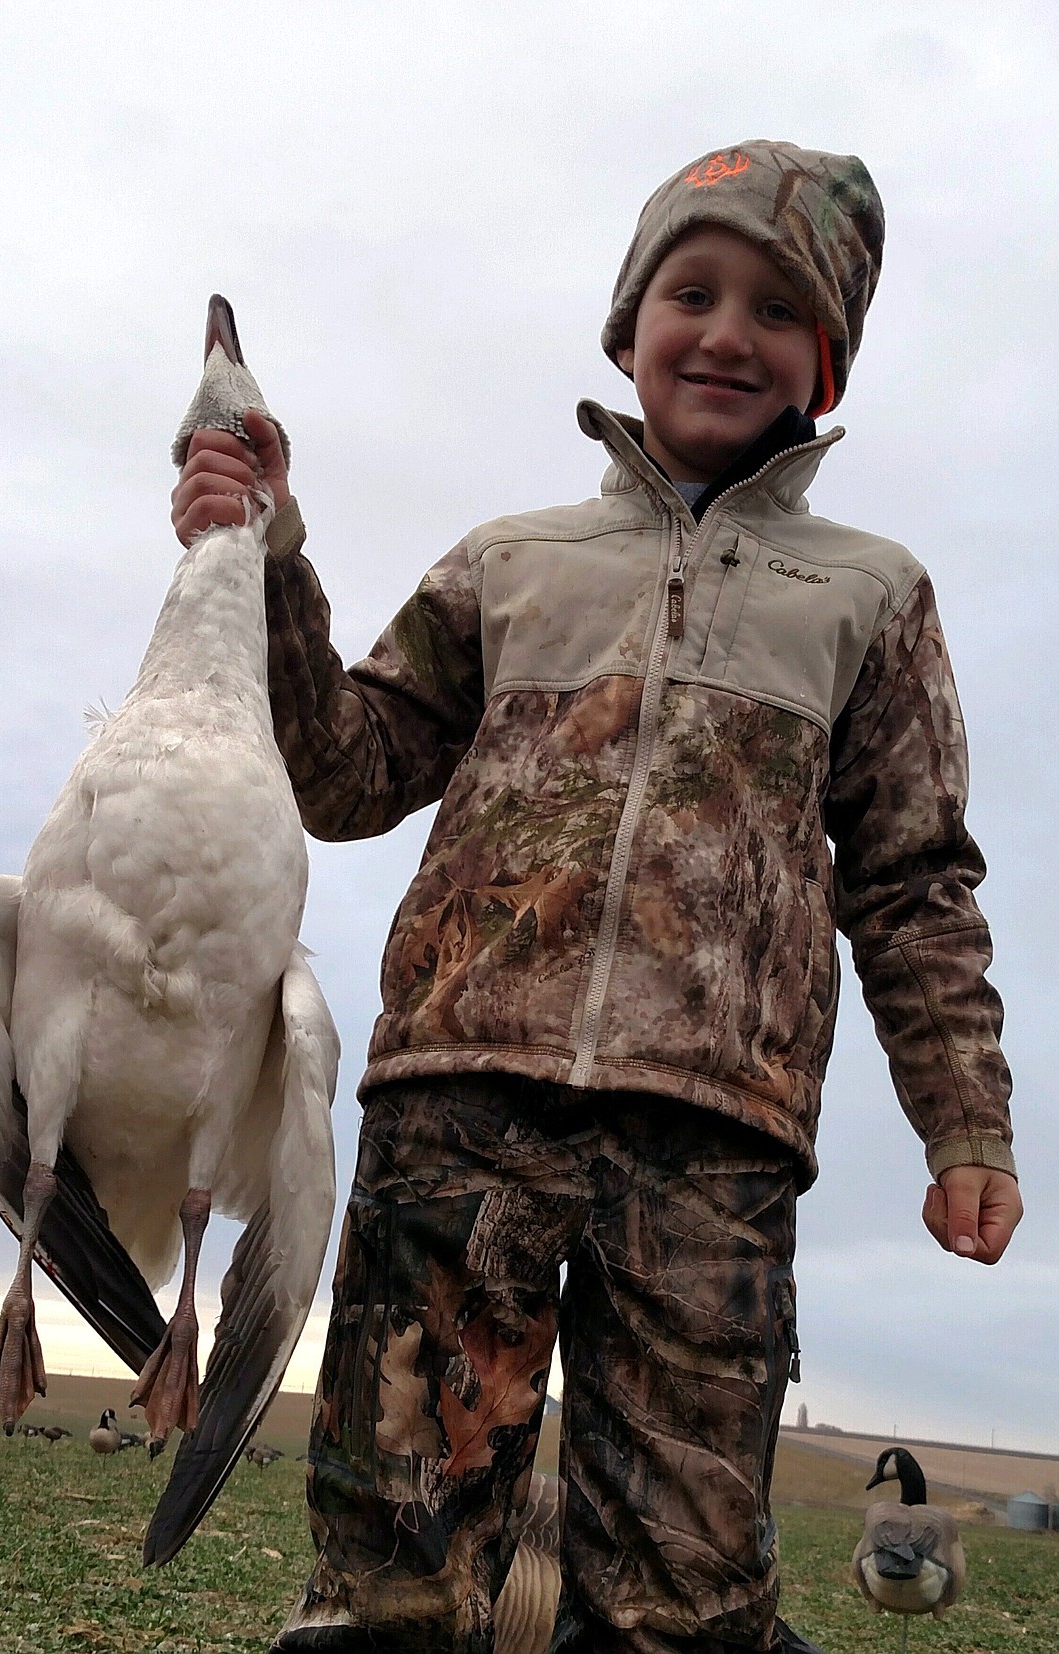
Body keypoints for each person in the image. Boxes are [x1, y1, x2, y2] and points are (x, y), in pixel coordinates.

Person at [171, 140, 1021, 1654]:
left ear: (824, 363)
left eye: (776, 308)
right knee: (391, 1584)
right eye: (689, 290)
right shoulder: (509, 561)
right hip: (457, 1108)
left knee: (680, 1608)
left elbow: (910, 881)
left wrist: (964, 1121)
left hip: (714, 1145)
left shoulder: (868, 597)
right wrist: (268, 562)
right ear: (628, 328)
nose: (723, 330)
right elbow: (346, 772)